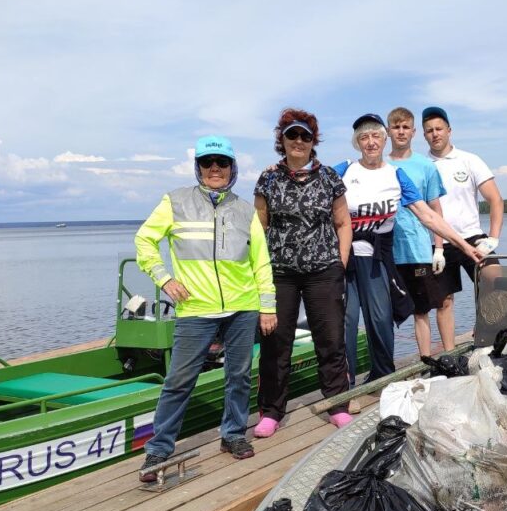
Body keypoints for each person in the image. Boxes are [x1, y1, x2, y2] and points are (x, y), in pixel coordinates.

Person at [135, 136, 276, 482]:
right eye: (208, 162)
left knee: (239, 376)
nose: (215, 168)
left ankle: (232, 434)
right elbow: (144, 241)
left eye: (222, 163)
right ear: (198, 167)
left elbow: (261, 261)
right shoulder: (175, 201)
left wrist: (267, 305)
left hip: (242, 307)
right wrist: (165, 279)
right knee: (179, 381)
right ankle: (159, 448)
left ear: (232, 169)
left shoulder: (245, 210)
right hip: (195, 308)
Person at [336, 113, 484, 384]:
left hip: (377, 258)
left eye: (376, 136)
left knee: (381, 319)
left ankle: (381, 379)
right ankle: (344, 387)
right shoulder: (344, 170)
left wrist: (463, 246)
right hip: (345, 256)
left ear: (384, 139)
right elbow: (310, 185)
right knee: (347, 320)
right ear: (356, 142)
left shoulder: (396, 175)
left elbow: (428, 216)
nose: (371, 142)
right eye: (364, 137)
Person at [252, 109, 354, 437]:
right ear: (281, 140)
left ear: (313, 141)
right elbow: (259, 227)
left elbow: (342, 223)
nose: (298, 141)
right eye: (292, 135)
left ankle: (338, 404)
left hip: (323, 271)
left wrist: (340, 262)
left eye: (305, 136)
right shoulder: (268, 178)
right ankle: (271, 411)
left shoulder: (328, 178)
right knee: (275, 342)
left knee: (331, 338)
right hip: (279, 272)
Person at [422, 106, 505, 347]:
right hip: (438, 243)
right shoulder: (422, 164)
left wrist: (493, 238)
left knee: (496, 281)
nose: (435, 134)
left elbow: (496, 200)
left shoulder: (469, 160)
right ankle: (449, 353)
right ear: (424, 135)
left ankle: (491, 336)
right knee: (444, 302)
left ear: (449, 130)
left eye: (439, 128)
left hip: (472, 238)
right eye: (429, 130)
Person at [387, 107, 453, 357]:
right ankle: (385, 368)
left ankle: (426, 362)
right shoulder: (379, 165)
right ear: (388, 131)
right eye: (396, 127)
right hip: (387, 253)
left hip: (418, 251)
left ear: (413, 132)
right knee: (386, 313)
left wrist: (439, 248)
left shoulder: (425, 166)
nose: (401, 132)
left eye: (406, 127)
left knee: (421, 310)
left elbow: (435, 209)